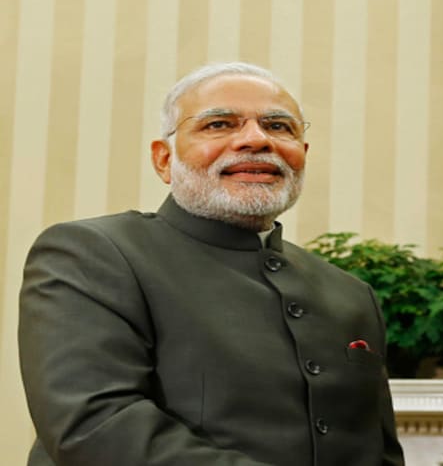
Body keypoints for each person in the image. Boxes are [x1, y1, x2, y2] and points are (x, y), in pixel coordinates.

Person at [19, 62, 404, 466]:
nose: (256, 140)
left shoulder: (350, 293)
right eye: (219, 124)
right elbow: (94, 427)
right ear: (164, 159)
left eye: (279, 127)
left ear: (302, 155)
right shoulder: (92, 253)